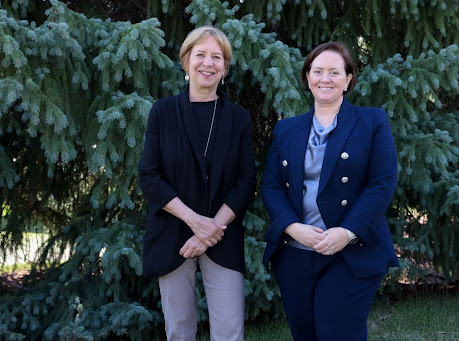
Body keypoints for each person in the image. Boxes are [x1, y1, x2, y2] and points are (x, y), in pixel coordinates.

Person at [261, 42, 399, 341]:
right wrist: (292, 227)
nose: (325, 79)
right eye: (318, 71)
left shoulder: (372, 121)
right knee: (305, 335)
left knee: (338, 334)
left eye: (335, 72)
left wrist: (347, 232)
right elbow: (271, 185)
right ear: (307, 77)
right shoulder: (287, 129)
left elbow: (382, 182)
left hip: (349, 253)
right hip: (295, 254)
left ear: (348, 79)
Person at [138, 26, 256, 341]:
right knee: (178, 329)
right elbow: (149, 176)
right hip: (172, 232)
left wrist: (211, 229)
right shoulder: (162, 112)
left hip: (223, 236)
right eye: (200, 54)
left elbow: (246, 182)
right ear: (186, 60)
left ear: (225, 67)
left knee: (230, 330)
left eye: (217, 56)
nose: (208, 62)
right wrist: (195, 222)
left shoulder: (239, 119)